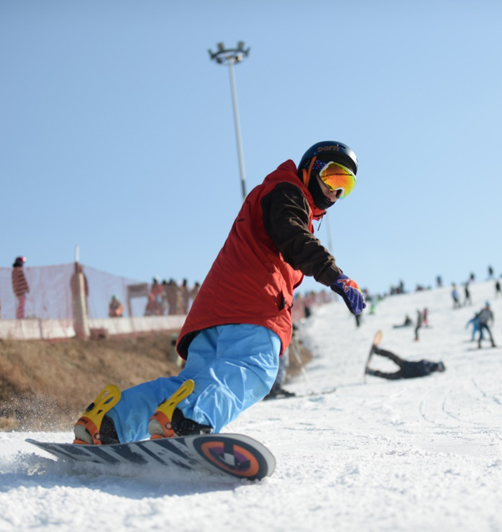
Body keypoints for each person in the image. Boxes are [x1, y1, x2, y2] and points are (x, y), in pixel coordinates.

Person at [73, 140, 365, 445]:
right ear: (310, 168)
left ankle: (109, 422)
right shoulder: (287, 192)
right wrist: (336, 277)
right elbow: (294, 237)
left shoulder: (278, 194)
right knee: (256, 368)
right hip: (252, 306)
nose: (336, 191)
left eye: (347, 185)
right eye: (333, 176)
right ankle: (189, 420)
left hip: (215, 311)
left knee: (191, 384)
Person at [366, 344, 445, 380]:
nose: (437, 369)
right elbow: (421, 364)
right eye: (439, 367)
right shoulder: (430, 364)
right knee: (392, 356)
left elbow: (422, 371)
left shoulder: (430, 371)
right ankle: (377, 350)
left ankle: (371, 372)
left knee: (389, 376)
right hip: (406, 365)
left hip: (405, 374)